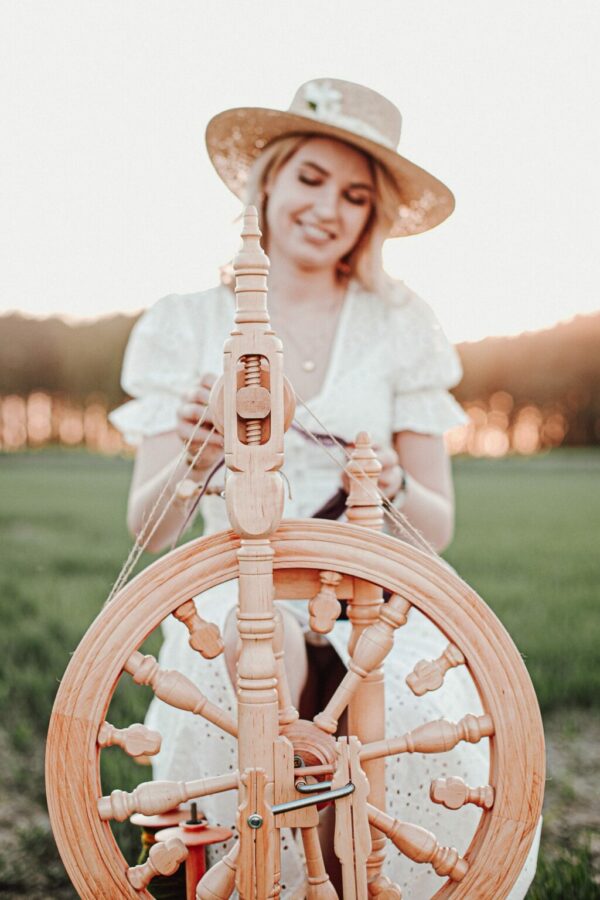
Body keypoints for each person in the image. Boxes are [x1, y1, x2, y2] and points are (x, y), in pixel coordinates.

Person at [110, 78, 540, 897]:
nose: (327, 208)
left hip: (375, 599)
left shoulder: (401, 324)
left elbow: (439, 527)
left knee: (412, 720)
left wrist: (369, 468)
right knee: (240, 705)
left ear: (370, 219)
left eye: (354, 195)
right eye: (310, 178)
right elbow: (148, 528)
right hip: (232, 596)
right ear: (265, 181)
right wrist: (200, 456)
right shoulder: (185, 323)